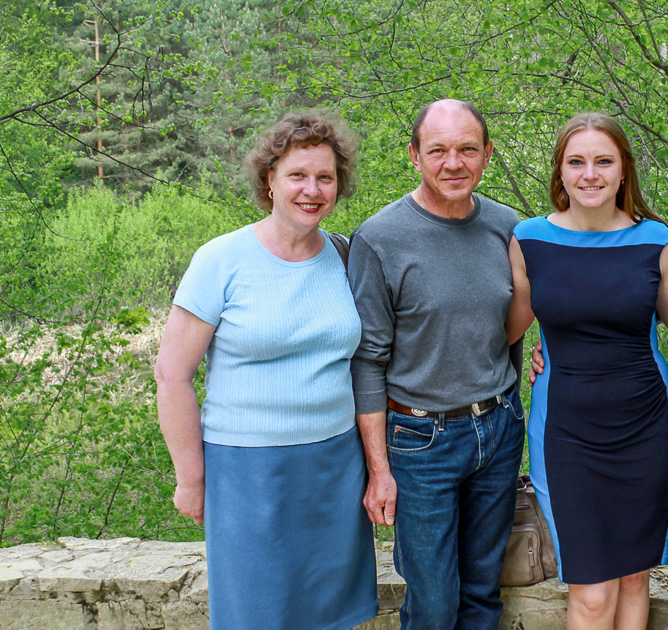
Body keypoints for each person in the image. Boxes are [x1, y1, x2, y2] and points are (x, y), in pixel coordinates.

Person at [153, 112, 379, 630]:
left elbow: (381, 354)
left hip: (335, 468)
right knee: (255, 615)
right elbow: (171, 376)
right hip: (246, 474)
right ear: (269, 181)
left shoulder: (347, 257)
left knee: (331, 615)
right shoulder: (221, 260)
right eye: (297, 175)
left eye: (325, 177)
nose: (312, 189)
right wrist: (191, 479)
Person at [348, 98, 525, 629]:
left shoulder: (506, 225)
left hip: (498, 429)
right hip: (419, 441)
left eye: (468, 149)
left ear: (487, 155)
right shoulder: (379, 239)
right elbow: (367, 363)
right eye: (439, 150)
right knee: (433, 603)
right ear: (415, 156)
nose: (454, 163)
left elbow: (513, 324)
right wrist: (379, 471)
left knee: (483, 593)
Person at [506, 113, 668, 630]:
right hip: (566, 435)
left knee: (634, 577)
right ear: (559, 172)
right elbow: (507, 332)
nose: (590, 174)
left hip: (648, 429)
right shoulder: (529, 240)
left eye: (604, 161)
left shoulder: (658, 241)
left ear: (623, 170)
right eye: (576, 162)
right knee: (589, 591)